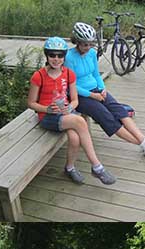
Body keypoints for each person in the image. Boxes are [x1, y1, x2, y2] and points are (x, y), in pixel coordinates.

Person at [67, 22, 145, 156]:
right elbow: (71, 86)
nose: (88, 47)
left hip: (97, 90)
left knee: (119, 110)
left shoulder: (91, 53)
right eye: (85, 44)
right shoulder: (69, 57)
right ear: (77, 41)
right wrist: (92, 95)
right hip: (80, 96)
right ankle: (144, 144)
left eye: (91, 44)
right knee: (107, 117)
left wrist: (102, 88)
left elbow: (96, 74)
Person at [27, 37, 116, 185]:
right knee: (80, 121)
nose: (56, 59)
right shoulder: (39, 76)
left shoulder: (69, 74)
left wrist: (70, 107)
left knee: (75, 139)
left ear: (64, 56)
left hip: (66, 113)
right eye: (52, 55)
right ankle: (97, 166)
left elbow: (74, 100)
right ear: (47, 55)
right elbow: (30, 103)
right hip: (48, 116)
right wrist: (46, 109)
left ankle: (69, 168)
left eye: (60, 55)